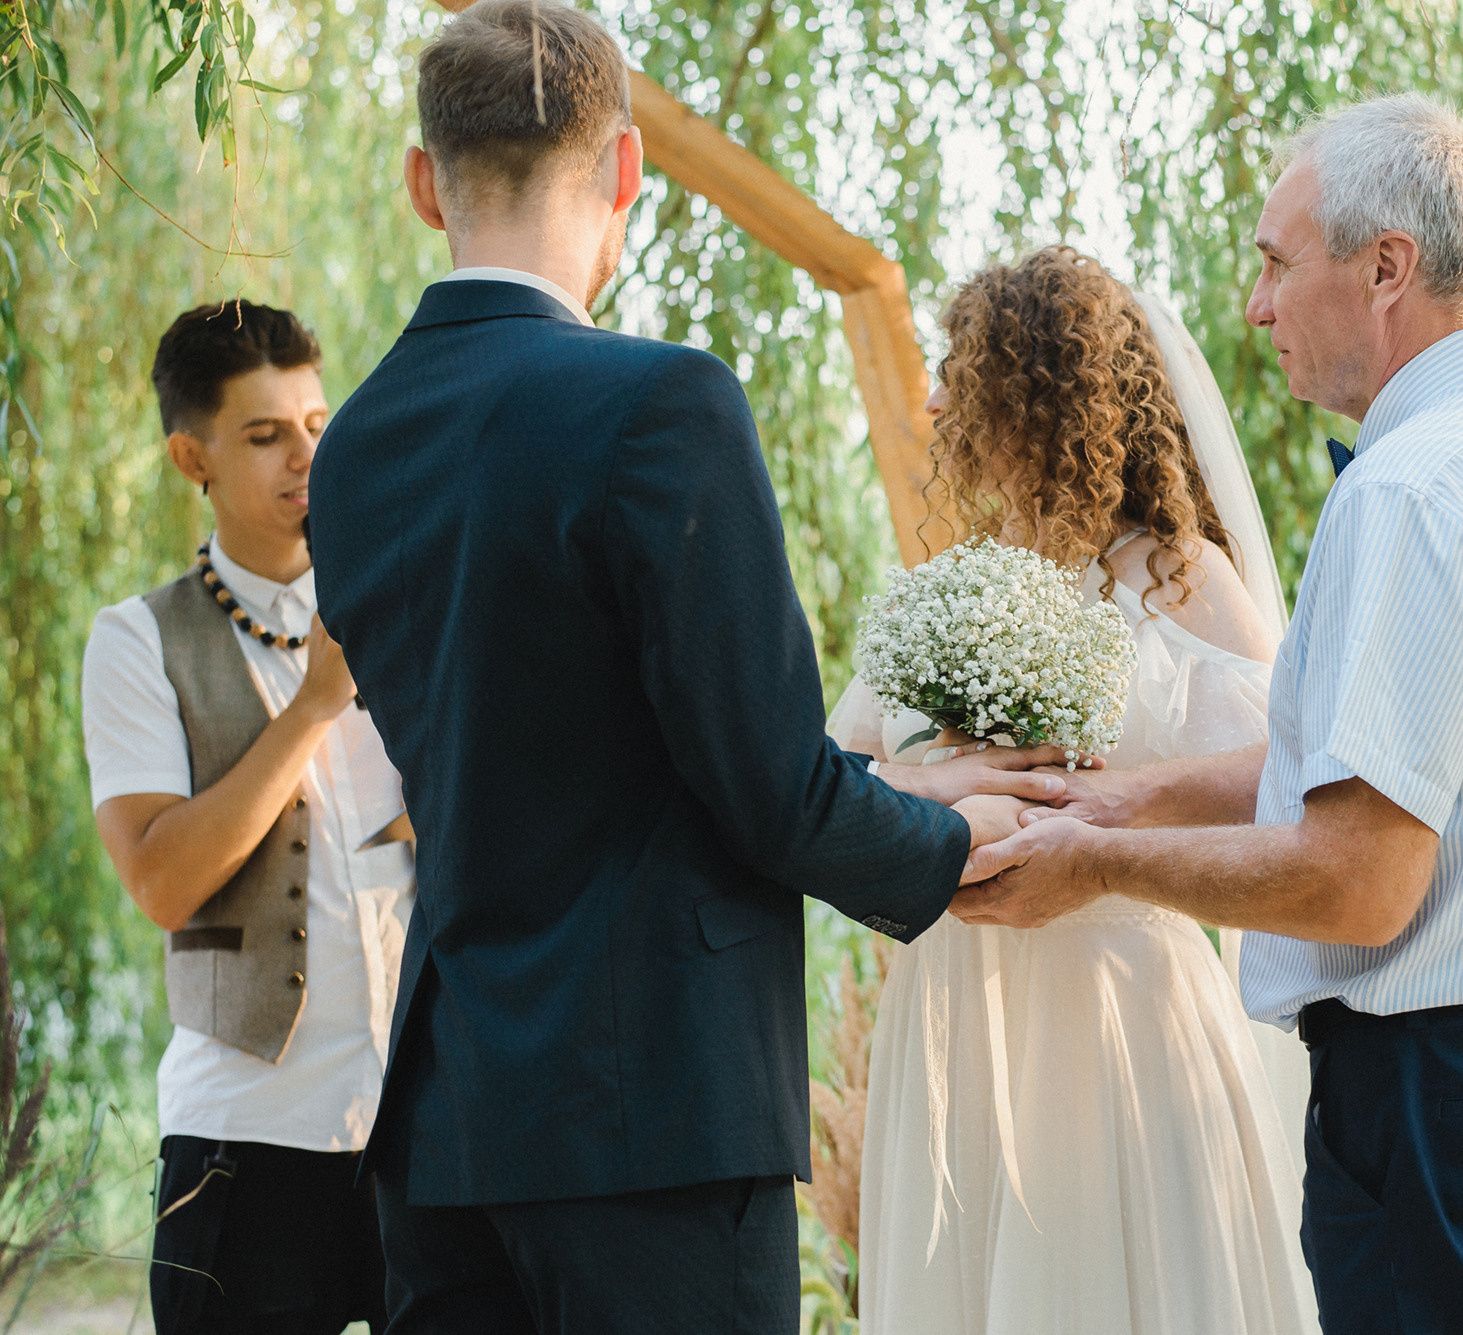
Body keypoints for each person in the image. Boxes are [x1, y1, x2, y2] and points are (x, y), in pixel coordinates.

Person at [303, 4, 1060, 1331]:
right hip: (651, 1116)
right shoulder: (661, 403)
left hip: (449, 1116)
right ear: (626, 170)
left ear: (426, 183)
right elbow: (763, 784)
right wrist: (949, 832)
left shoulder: (356, 445)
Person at [961, 94, 1463, 1334]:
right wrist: (1133, 791)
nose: (1252, 307)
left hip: (1458, 1095)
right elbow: (1413, 772)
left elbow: (1357, 879)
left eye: (1273, 263)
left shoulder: (1411, 487)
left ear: (1385, 269)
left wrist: (1090, 860)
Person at [835, 246, 1314, 1335]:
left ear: (1038, 388)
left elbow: (1282, 780)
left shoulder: (1179, 575)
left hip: (1117, 1006)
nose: (936, 396)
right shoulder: (951, 591)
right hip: (958, 997)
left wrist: (1095, 800)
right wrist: (942, 787)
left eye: (967, 369)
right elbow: (841, 776)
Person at [81, 300, 406, 1334]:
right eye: (265, 435)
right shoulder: (136, 641)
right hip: (245, 1148)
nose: (304, 459)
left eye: (317, 425)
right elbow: (162, 881)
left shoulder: (407, 611)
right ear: (194, 457)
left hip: (425, 1138)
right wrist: (314, 706)